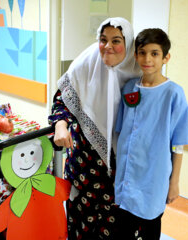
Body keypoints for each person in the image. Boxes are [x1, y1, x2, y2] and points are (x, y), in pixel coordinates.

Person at [48, 17, 141, 239]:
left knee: (118, 230)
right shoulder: (87, 62)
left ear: (128, 44)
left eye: (116, 40)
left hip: (122, 173)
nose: (108, 46)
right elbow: (61, 100)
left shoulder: (140, 74)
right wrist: (60, 125)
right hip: (84, 167)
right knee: (81, 226)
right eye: (103, 39)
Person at [114, 28, 188, 239]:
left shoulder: (173, 93)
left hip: (154, 176)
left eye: (154, 53)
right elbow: (121, 131)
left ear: (165, 57)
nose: (147, 59)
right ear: (135, 55)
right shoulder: (129, 88)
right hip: (126, 172)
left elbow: (179, 144)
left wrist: (174, 182)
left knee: (149, 227)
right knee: (123, 228)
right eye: (142, 52)